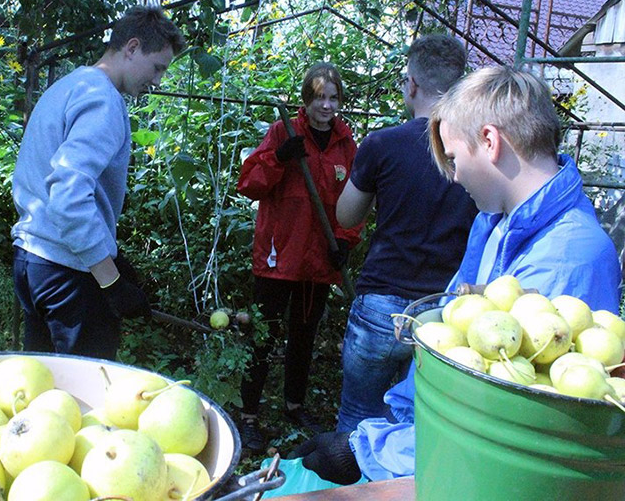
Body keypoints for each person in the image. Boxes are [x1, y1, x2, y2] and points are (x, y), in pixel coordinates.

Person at [291, 65, 622, 485]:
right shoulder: (496, 224)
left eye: (453, 158)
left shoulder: (567, 259)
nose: (453, 175)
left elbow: (501, 425)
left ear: (489, 141)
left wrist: (366, 450)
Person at [10, 6, 186, 359]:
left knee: (40, 390)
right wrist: (111, 280)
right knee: (84, 399)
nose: (157, 82)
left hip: (32, 262)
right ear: (132, 48)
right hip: (67, 273)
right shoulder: (104, 99)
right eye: (158, 68)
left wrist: (112, 255)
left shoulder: (69, 85)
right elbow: (68, 194)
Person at [335, 34, 477, 433]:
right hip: (443, 312)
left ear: (411, 84)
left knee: (356, 421)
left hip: (382, 303)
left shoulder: (383, 144)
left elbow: (345, 216)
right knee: (416, 428)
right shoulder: (473, 153)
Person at [235, 62, 364, 453]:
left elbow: (354, 199)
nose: (326, 105)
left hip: (319, 259)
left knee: (304, 335)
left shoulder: (346, 144)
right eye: (319, 97)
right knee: (263, 335)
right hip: (281, 254)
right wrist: (280, 158)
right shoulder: (283, 132)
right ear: (306, 100)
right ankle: (248, 414)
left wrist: (345, 239)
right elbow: (250, 184)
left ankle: (294, 404)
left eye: (333, 97)